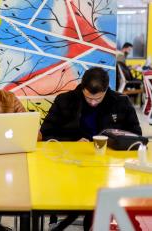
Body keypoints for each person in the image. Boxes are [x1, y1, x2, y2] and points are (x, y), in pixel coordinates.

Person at [40, 67, 142, 230]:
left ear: (106, 90)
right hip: (70, 166)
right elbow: (46, 134)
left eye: (98, 99)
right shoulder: (64, 100)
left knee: (107, 199)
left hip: (109, 168)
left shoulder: (120, 102)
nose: (93, 102)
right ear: (82, 88)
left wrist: (113, 142)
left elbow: (136, 136)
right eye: (88, 98)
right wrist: (73, 142)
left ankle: (96, 220)